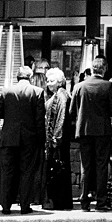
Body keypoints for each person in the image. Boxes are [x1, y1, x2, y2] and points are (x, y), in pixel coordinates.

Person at [0, 66, 46, 214]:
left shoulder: (6, 91)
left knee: (7, 172)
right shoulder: (37, 92)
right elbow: (39, 120)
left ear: (17, 77)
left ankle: (5, 205)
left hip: (9, 137)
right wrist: (41, 140)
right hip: (28, 138)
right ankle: (25, 206)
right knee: (27, 172)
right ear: (30, 77)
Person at [72, 61, 112, 212]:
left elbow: (72, 111)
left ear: (92, 69)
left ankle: (84, 201)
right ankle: (101, 202)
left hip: (84, 131)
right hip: (102, 131)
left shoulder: (79, 86)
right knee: (101, 166)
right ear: (104, 69)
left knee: (86, 166)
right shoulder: (107, 86)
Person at [42, 67, 73, 211]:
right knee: (57, 170)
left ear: (60, 81)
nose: (49, 83)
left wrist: (56, 137)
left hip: (58, 140)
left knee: (58, 169)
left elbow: (61, 118)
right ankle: (58, 201)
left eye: (52, 80)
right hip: (55, 139)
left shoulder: (61, 96)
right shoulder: (57, 95)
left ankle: (59, 201)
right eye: (47, 80)